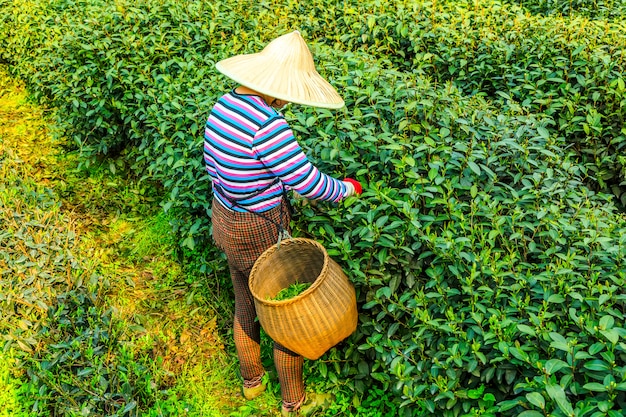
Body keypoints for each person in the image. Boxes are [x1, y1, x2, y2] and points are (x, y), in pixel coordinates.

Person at [203, 31, 362, 416]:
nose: (289, 101)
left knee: (245, 298)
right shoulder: (268, 125)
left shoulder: (224, 105)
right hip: (259, 229)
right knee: (284, 312)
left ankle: (251, 382)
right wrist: (347, 188)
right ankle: (293, 402)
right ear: (276, 90)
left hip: (225, 218)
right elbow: (307, 182)